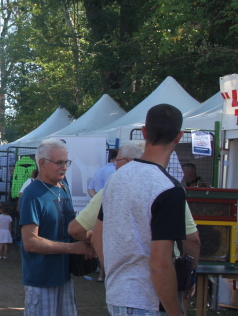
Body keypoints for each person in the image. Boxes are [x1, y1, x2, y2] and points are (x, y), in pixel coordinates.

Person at [94, 104, 188, 316]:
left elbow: (96, 238)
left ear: (144, 132)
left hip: (118, 295)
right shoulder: (169, 189)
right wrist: (176, 312)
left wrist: (118, 274)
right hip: (149, 301)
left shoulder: (115, 179)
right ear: (179, 136)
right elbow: (160, 263)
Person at [68, 140, 201, 286]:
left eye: (117, 161)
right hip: (164, 275)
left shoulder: (110, 190)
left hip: (122, 279)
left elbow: (76, 229)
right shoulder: (169, 187)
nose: (115, 165)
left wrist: (91, 239)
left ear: (129, 162)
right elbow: (192, 239)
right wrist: (190, 274)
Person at [19, 138, 94, 316]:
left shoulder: (64, 187)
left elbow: (68, 227)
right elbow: (30, 242)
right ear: (42, 163)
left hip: (64, 277)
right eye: (59, 162)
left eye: (66, 162)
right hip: (41, 280)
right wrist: (74, 248)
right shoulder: (32, 194)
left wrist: (89, 238)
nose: (65, 167)